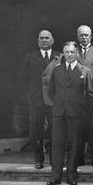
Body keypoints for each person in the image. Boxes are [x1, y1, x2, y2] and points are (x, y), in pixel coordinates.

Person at [46, 42, 93, 185]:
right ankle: (55, 176)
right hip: (59, 112)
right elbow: (51, 92)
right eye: (66, 52)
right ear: (63, 53)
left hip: (76, 114)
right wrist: (59, 104)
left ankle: (71, 175)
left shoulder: (85, 71)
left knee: (74, 145)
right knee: (57, 144)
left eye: (72, 52)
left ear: (77, 53)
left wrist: (80, 108)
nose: (69, 55)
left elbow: (91, 95)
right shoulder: (57, 70)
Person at [19, 30, 59, 169]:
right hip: (36, 100)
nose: (44, 40)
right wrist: (30, 97)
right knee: (36, 131)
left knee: (55, 130)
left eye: (47, 38)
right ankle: (39, 159)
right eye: (41, 38)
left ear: (52, 40)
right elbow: (23, 80)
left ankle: (55, 160)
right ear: (38, 41)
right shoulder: (30, 57)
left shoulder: (59, 57)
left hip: (54, 100)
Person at [76, 25, 93, 167]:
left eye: (86, 35)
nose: (84, 37)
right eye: (81, 35)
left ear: (91, 36)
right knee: (78, 128)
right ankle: (79, 158)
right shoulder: (72, 52)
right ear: (78, 36)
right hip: (77, 97)